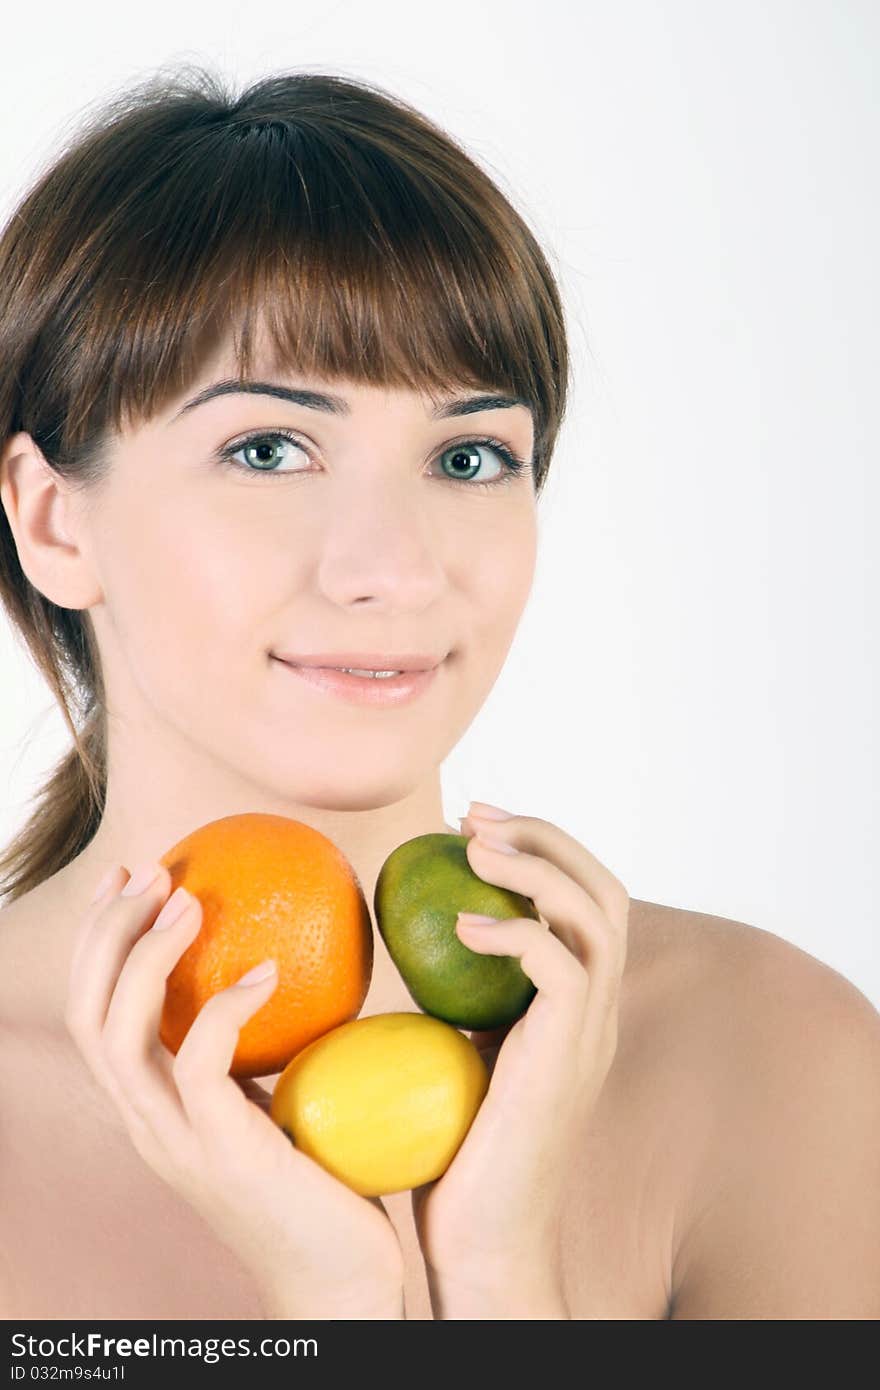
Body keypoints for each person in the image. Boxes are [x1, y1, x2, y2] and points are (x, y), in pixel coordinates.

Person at [0, 65, 877, 1324]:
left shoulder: (772, 1061)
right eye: (267, 449)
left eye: (468, 456)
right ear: (52, 518)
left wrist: (496, 1285)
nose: (395, 566)